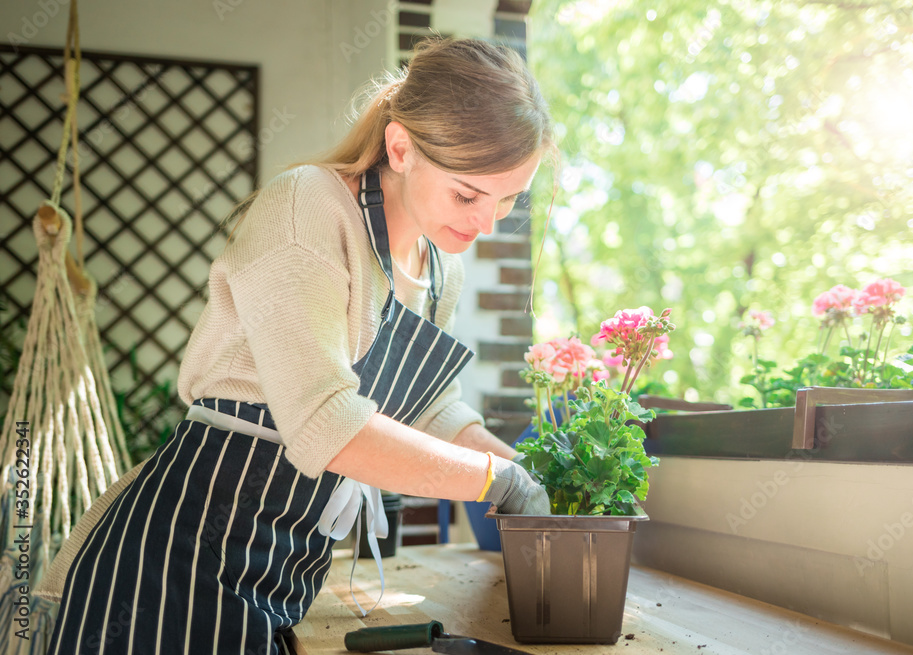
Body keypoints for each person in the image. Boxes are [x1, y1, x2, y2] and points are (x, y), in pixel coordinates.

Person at [47, 37, 554, 655]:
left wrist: (533, 478)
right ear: (401, 148)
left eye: (507, 200)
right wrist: (494, 481)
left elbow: (428, 409)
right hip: (176, 561)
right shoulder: (306, 208)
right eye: (468, 195)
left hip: (286, 571)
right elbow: (325, 425)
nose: (485, 224)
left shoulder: (439, 266)